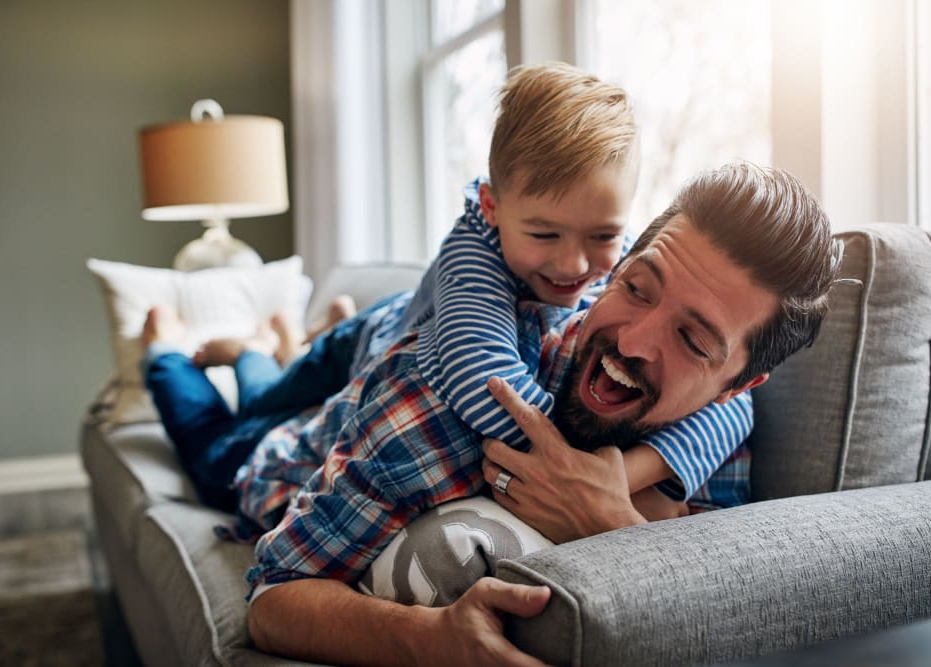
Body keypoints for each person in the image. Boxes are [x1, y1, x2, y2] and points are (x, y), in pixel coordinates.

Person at [245, 162, 842, 666]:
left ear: (737, 386)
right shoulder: (445, 396)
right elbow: (273, 600)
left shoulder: (719, 444)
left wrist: (614, 525)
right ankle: (242, 353)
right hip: (289, 447)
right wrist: (426, 639)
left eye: (692, 340)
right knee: (244, 405)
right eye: (636, 288)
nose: (632, 342)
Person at [143, 62, 751, 538]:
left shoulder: (635, 277)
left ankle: (269, 343)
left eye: (603, 237)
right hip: (366, 345)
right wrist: (583, 470)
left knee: (271, 417)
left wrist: (627, 476)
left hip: (368, 365)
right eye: (543, 235)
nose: (574, 265)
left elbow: (735, 406)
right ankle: (173, 351)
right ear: (491, 207)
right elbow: (483, 383)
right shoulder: (474, 249)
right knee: (254, 421)